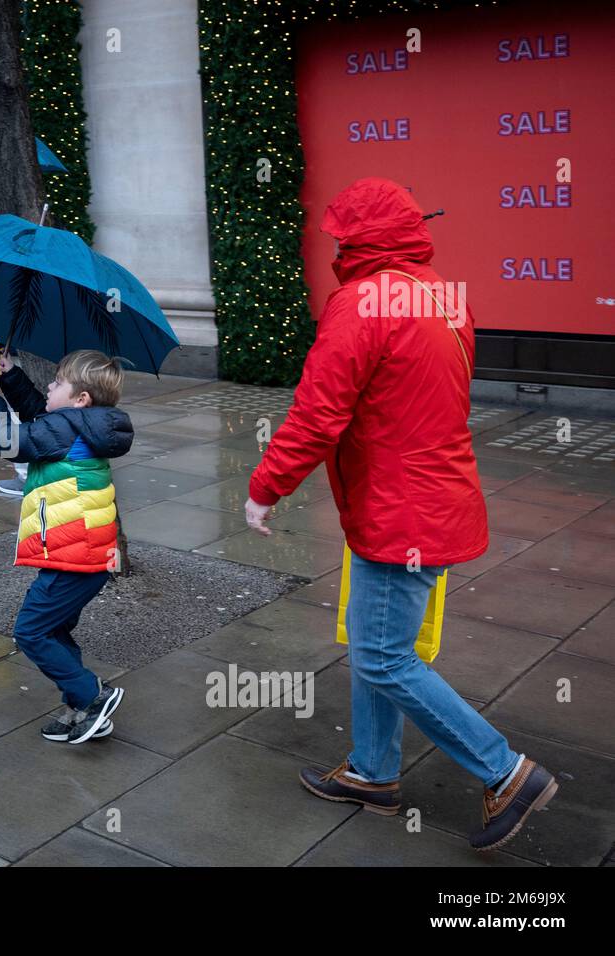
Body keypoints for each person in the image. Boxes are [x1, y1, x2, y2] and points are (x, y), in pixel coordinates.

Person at [243, 177, 557, 851]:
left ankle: (506, 771)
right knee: (377, 644)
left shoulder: (361, 303)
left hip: (399, 511)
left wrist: (266, 487)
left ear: (360, 239)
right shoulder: (444, 298)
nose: (334, 243)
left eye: (340, 234)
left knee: (384, 657)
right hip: (431, 498)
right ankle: (372, 773)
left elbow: (318, 411)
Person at [0, 349, 134, 744]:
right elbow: (39, 413)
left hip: (73, 559)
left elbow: (8, 442)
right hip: (85, 555)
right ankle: (82, 710)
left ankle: (94, 698)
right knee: (55, 633)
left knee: (31, 632)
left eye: (58, 382)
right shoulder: (82, 425)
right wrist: (11, 376)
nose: (50, 385)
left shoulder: (65, 429)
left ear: (81, 399)